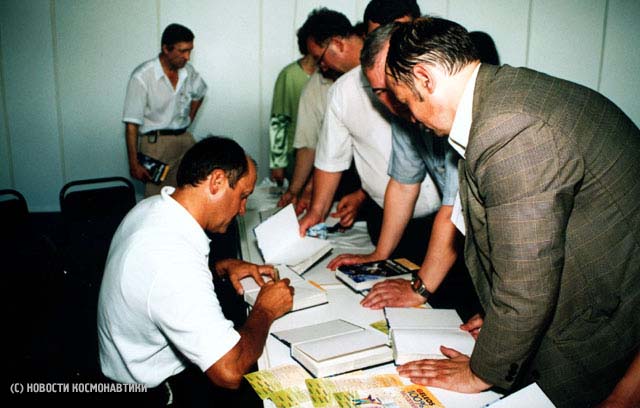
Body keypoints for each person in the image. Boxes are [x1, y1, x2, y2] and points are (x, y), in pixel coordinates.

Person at [385, 17, 640, 407]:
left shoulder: (509, 129)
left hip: (605, 324)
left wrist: (481, 372)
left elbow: (526, 285)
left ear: (424, 77)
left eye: (406, 103)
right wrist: (501, 330)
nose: (413, 119)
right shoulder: (505, 95)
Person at [97, 136, 294, 405]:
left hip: (124, 368)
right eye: (243, 196)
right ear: (217, 181)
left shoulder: (151, 208)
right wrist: (266, 310)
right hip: (156, 393)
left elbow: (156, 287)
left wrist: (219, 268)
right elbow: (229, 371)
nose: (242, 210)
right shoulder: (172, 259)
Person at [327, 22, 478, 317]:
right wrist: (379, 255)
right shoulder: (404, 115)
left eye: (392, 87)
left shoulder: (452, 111)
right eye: (379, 92)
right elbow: (403, 185)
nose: (392, 100)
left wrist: (419, 289)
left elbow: (452, 211)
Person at [298, 0, 441, 267]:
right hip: (388, 223)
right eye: (379, 37)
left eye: (398, 35)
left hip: (445, 225)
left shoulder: (439, 85)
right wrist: (317, 211)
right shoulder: (345, 92)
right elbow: (331, 161)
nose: (390, 48)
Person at [278, 8, 363, 213]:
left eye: (320, 58)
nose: (321, 66)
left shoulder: (377, 69)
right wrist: (296, 189)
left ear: (338, 44)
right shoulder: (316, 86)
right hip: (341, 179)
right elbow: (309, 145)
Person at [123, 23, 207, 197]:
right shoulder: (142, 76)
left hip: (184, 140)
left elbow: (200, 93)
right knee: (158, 199)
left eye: (190, 51)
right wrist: (133, 163)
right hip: (156, 146)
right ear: (166, 49)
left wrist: (188, 119)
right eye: (182, 51)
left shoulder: (188, 72)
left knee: (189, 195)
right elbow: (131, 125)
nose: (187, 57)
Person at [268, 21, 317, 185]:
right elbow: (278, 120)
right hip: (295, 155)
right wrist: (277, 163)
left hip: (322, 155)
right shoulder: (289, 75)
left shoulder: (329, 74)